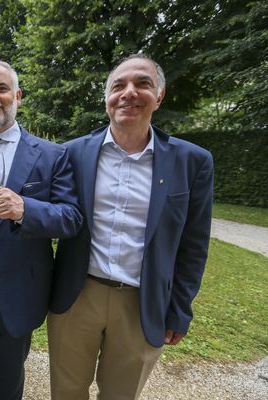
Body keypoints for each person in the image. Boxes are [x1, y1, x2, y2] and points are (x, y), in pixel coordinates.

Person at [49, 54, 214, 399]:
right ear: (107, 97)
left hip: (143, 302)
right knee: (66, 392)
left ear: (160, 95)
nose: (129, 92)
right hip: (78, 296)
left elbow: (194, 245)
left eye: (142, 83)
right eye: (118, 85)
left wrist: (180, 310)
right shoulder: (71, 154)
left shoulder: (192, 162)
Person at [0, 60, 82, 399]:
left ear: (17, 96)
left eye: (1, 89)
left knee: (9, 383)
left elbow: (71, 218)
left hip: (21, 284)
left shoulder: (52, 155)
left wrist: (25, 209)